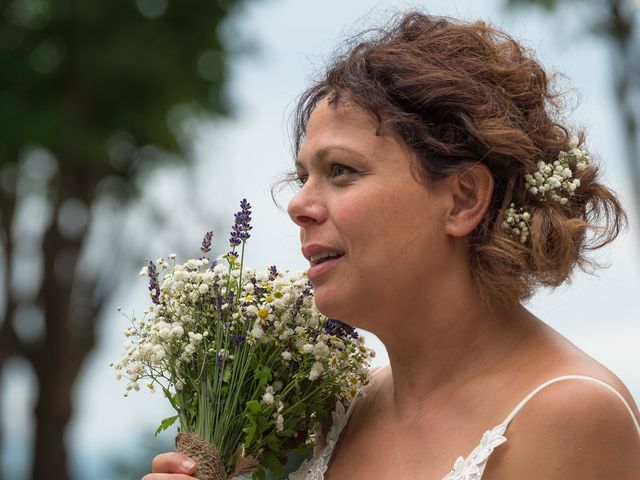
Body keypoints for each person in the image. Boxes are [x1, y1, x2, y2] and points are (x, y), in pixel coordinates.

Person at [143, 11, 640, 480]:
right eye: (302, 176)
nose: (298, 205)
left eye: (341, 170)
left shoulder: (570, 415)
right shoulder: (343, 409)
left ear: (463, 199)